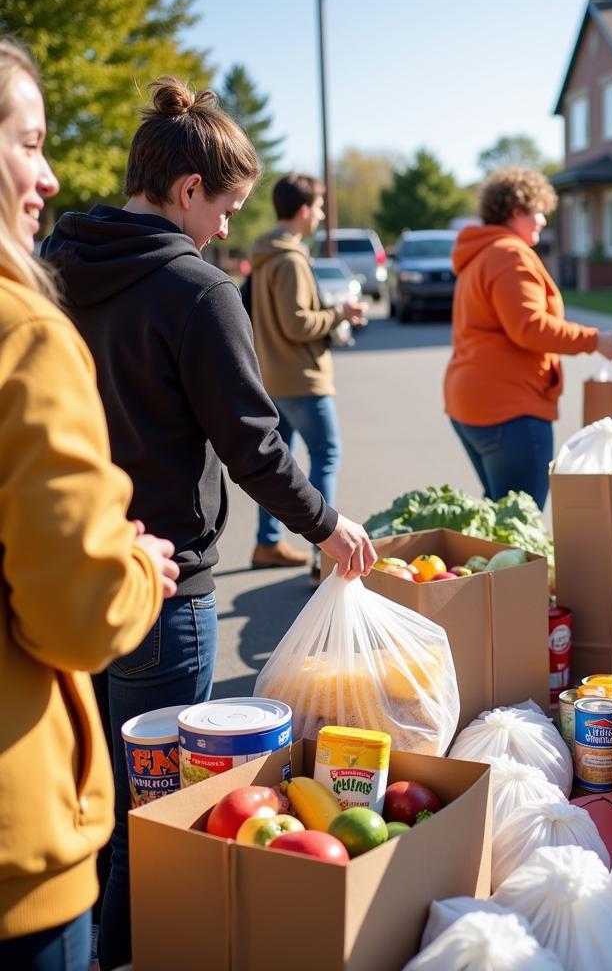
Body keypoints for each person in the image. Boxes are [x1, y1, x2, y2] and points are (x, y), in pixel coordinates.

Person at [42, 77, 375, 970]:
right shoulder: (194, 291)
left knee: (84, 808)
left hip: (61, 581)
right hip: (161, 585)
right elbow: (254, 443)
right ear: (187, 189)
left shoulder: (49, 262)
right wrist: (327, 524)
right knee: (158, 825)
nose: (229, 227)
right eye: (224, 206)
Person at [0, 39, 178, 971]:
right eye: (30, 144)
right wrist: (137, 567)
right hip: (15, 844)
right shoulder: (24, 330)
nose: (49, 176)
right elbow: (74, 613)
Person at [444, 165, 612, 509]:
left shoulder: (481, 254)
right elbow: (530, 327)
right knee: (519, 522)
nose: (543, 220)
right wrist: (594, 340)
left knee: (498, 516)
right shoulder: (509, 255)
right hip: (508, 408)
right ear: (516, 210)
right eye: (538, 211)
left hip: (472, 403)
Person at [249, 172, 366, 585]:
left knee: (281, 464)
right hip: (302, 379)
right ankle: (325, 557)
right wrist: (340, 314)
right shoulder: (291, 259)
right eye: (318, 207)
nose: (319, 215)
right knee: (327, 454)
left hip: (273, 375)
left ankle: (268, 542)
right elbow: (297, 323)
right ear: (303, 211)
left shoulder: (266, 255)